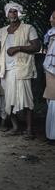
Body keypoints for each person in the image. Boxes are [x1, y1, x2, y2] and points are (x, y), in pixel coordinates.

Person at [0, 3, 40, 139]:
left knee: (27, 99)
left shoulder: (28, 28)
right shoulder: (3, 30)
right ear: (7, 14)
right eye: (10, 12)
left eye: (15, 12)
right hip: (6, 70)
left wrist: (18, 48)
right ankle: (15, 127)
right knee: (8, 99)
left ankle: (29, 129)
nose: (13, 14)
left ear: (19, 13)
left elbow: (36, 47)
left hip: (22, 69)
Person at [43, 10, 55, 143]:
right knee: (52, 102)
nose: (51, 20)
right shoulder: (51, 35)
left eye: (54, 18)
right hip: (51, 74)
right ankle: (51, 135)